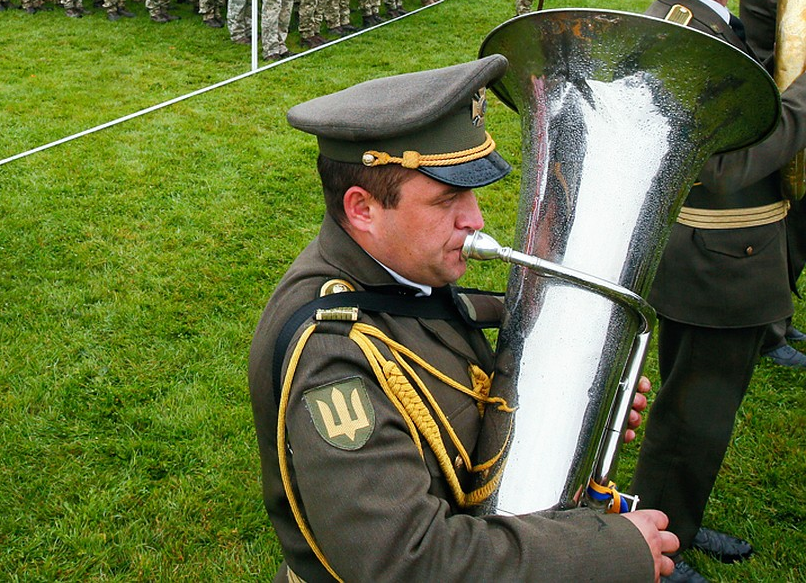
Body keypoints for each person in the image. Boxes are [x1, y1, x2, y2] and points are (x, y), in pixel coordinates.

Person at [248, 58, 677, 582]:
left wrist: (570, 400)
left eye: (471, 193)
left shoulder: (405, 273)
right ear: (362, 209)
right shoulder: (332, 356)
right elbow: (406, 563)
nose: (474, 219)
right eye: (447, 198)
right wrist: (607, 555)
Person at [624, 0, 806, 582]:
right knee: (693, 416)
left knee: (692, 406)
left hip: (723, 253)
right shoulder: (683, 39)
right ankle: (658, 543)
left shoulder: (707, 22)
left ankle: (674, 520)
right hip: (718, 258)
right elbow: (723, 169)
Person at [737, 0, 806, 368]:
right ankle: (769, 329)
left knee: (796, 224)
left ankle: (779, 315)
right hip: (781, 103)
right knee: (785, 220)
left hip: (790, 102)